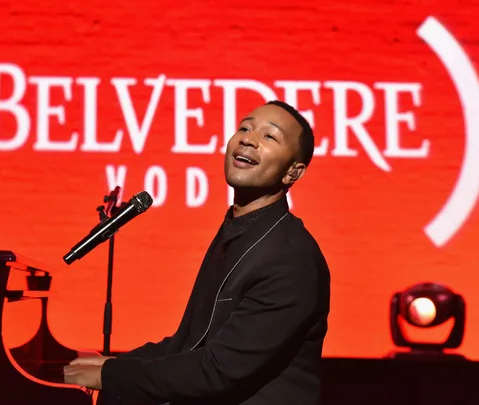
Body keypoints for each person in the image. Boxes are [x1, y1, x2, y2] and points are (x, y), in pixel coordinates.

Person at [64, 100, 331, 405]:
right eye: (244, 127)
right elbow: (188, 343)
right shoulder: (238, 230)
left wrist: (111, 376)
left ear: (292, 173)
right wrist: (111, 364)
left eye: (269, 136)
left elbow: (219, 368)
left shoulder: (291, 258)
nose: (247, 138)